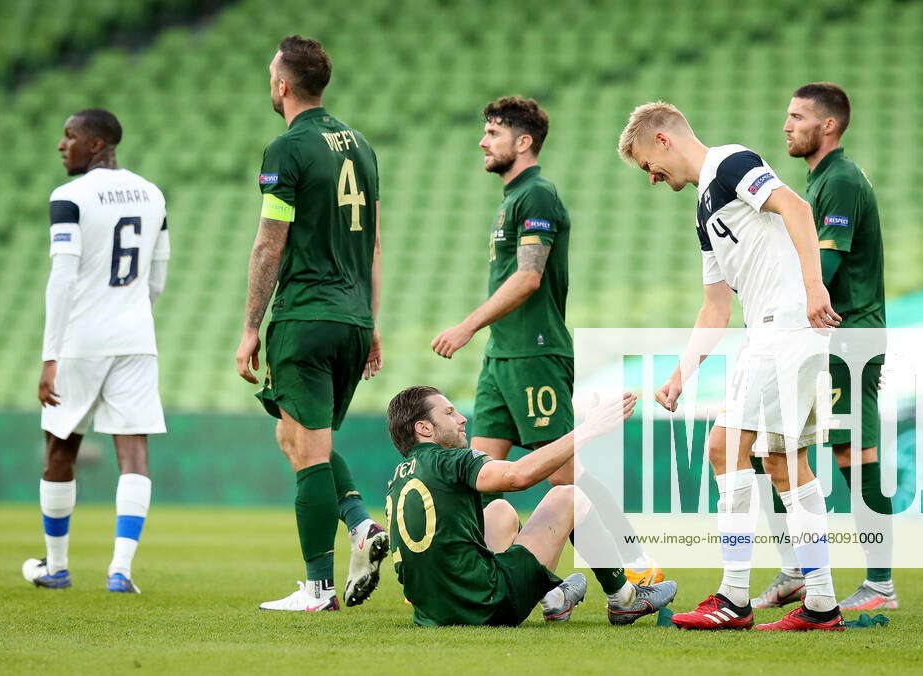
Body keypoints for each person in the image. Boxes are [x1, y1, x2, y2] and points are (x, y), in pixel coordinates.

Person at [618, 101, 846, 631]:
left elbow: (796, 207)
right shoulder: (704, 208)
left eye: (647, 165)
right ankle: (821, 604)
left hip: (785, 326)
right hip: (772, 330)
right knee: (787, 464)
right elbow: (715, 306)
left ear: (663, 140)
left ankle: (734, 599)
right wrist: (682, 373)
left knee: (724, 447)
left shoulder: (729, 163)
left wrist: (814, 286)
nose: (651, 178)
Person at [431, 96, 660, 592]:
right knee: (480, 475)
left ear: (523, 141)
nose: (483, 141)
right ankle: (471, 579)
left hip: (535, 352)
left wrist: (467, 325)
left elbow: (529, 278)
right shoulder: (511, 200)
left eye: (493, 133)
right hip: (502, 356)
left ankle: (635, 566)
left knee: (564, 475)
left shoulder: (537, 196)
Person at [235, 36, 387, 612]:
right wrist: (371, 321)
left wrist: (251, 325)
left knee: (311, 449)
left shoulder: (286, 148)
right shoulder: (363, 148)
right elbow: (373, 243)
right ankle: (361, 526)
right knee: (294, 437)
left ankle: (319, 589)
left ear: (283, 86)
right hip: (351, 318)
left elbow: (270, 243)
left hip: (305, 314)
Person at [751, 82, 895, 612]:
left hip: (844, 334)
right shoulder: (820, 183)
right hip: (834, 335)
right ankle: (796, 569)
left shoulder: (840, 182)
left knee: (853, 453)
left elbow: (825, 271)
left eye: (797, 116)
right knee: (777, 445)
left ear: (827, 125)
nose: (786, 125)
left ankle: (878, 584)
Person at [24, 109, 170, 594]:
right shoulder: (152, 194)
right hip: (135, 338)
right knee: (133, 454)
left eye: (70, 136)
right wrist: (130, 314)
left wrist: (50, 356)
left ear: (95, 144)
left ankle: (57, 566)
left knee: (60, 448)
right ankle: (121, 571)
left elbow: (62, 278)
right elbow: (157, 279)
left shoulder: (68, 197)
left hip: (82, 340)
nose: (61, 144)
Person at [384, 385, 677, 627]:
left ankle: (553, 598)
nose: (461, 418)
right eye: (449, 413)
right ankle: (623, 598)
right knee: (568, 496)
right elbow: (518, 476)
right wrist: (590, 430)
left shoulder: (397, 479)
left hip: (431, 614)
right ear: (423, 428)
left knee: (500, 512)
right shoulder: (448, 460)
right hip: (485, 606)